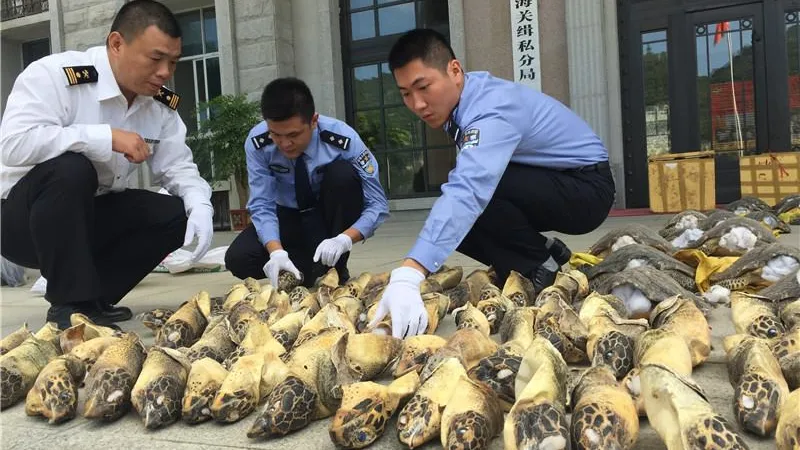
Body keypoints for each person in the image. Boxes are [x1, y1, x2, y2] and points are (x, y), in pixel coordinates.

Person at [368, 28, 616, 338]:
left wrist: (410, 272)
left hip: (586, 189)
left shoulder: (491, 108)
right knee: (456, 228)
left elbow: (470, 188)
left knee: (474, 194)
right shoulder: (465, 101)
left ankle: (540, 265)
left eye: (423, 87)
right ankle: (544, 252)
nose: (417, 104)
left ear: (454, 70)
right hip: (558, 183)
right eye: (406, 94)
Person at [0, 0, 214, 329]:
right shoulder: (56, 77)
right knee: (72, 168)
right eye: (156, 59)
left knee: (174, 214)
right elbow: (12, 146)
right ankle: (67, 306)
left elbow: (178, 166)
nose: (165, 73)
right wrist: (104, 138)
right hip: (20, 221)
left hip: (87, 216)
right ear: (117, 44)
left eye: (173, 62)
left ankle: (93, 300)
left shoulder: (159, 103)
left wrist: (200, 206)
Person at [224, 78, 389, 288]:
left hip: (327, 218)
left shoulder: (342, 139)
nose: (284, 143)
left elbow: (378, 204)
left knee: (343, 175)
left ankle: (334, 264)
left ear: (313, 121)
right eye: (276, 134)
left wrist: (344, 240)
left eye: (293, 135)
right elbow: (262, 204)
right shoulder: (258, 143)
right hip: (286, 216)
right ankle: (303, 267)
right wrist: (275, 251)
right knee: (238, 259)